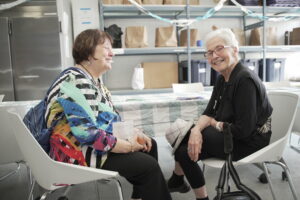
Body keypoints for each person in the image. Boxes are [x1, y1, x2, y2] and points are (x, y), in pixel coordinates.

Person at [45, 29, 172, 200]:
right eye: (106, 48)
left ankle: (140, 196)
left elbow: (112, 120)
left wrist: (136, 134)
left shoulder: (94, 82)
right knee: (149, 166)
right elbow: (86, 133)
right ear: (89, 52)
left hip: (91, 145)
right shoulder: (76, 80)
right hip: (77, 153)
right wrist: (126, 145)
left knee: (151, 145)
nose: (112, 53)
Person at [167, 28, 273, 200]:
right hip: (230, 134)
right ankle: (185, 185)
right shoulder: (222, 78)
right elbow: (209, 111)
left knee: (183, 141)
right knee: (183, 148)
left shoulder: (244, 80)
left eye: (219, 48)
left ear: (235, 49)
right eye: (209, 52)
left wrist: (213, 124)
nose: (214, 56)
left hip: (249, 141)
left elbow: (244, 130)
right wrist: (195, 131)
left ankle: (177, 180)